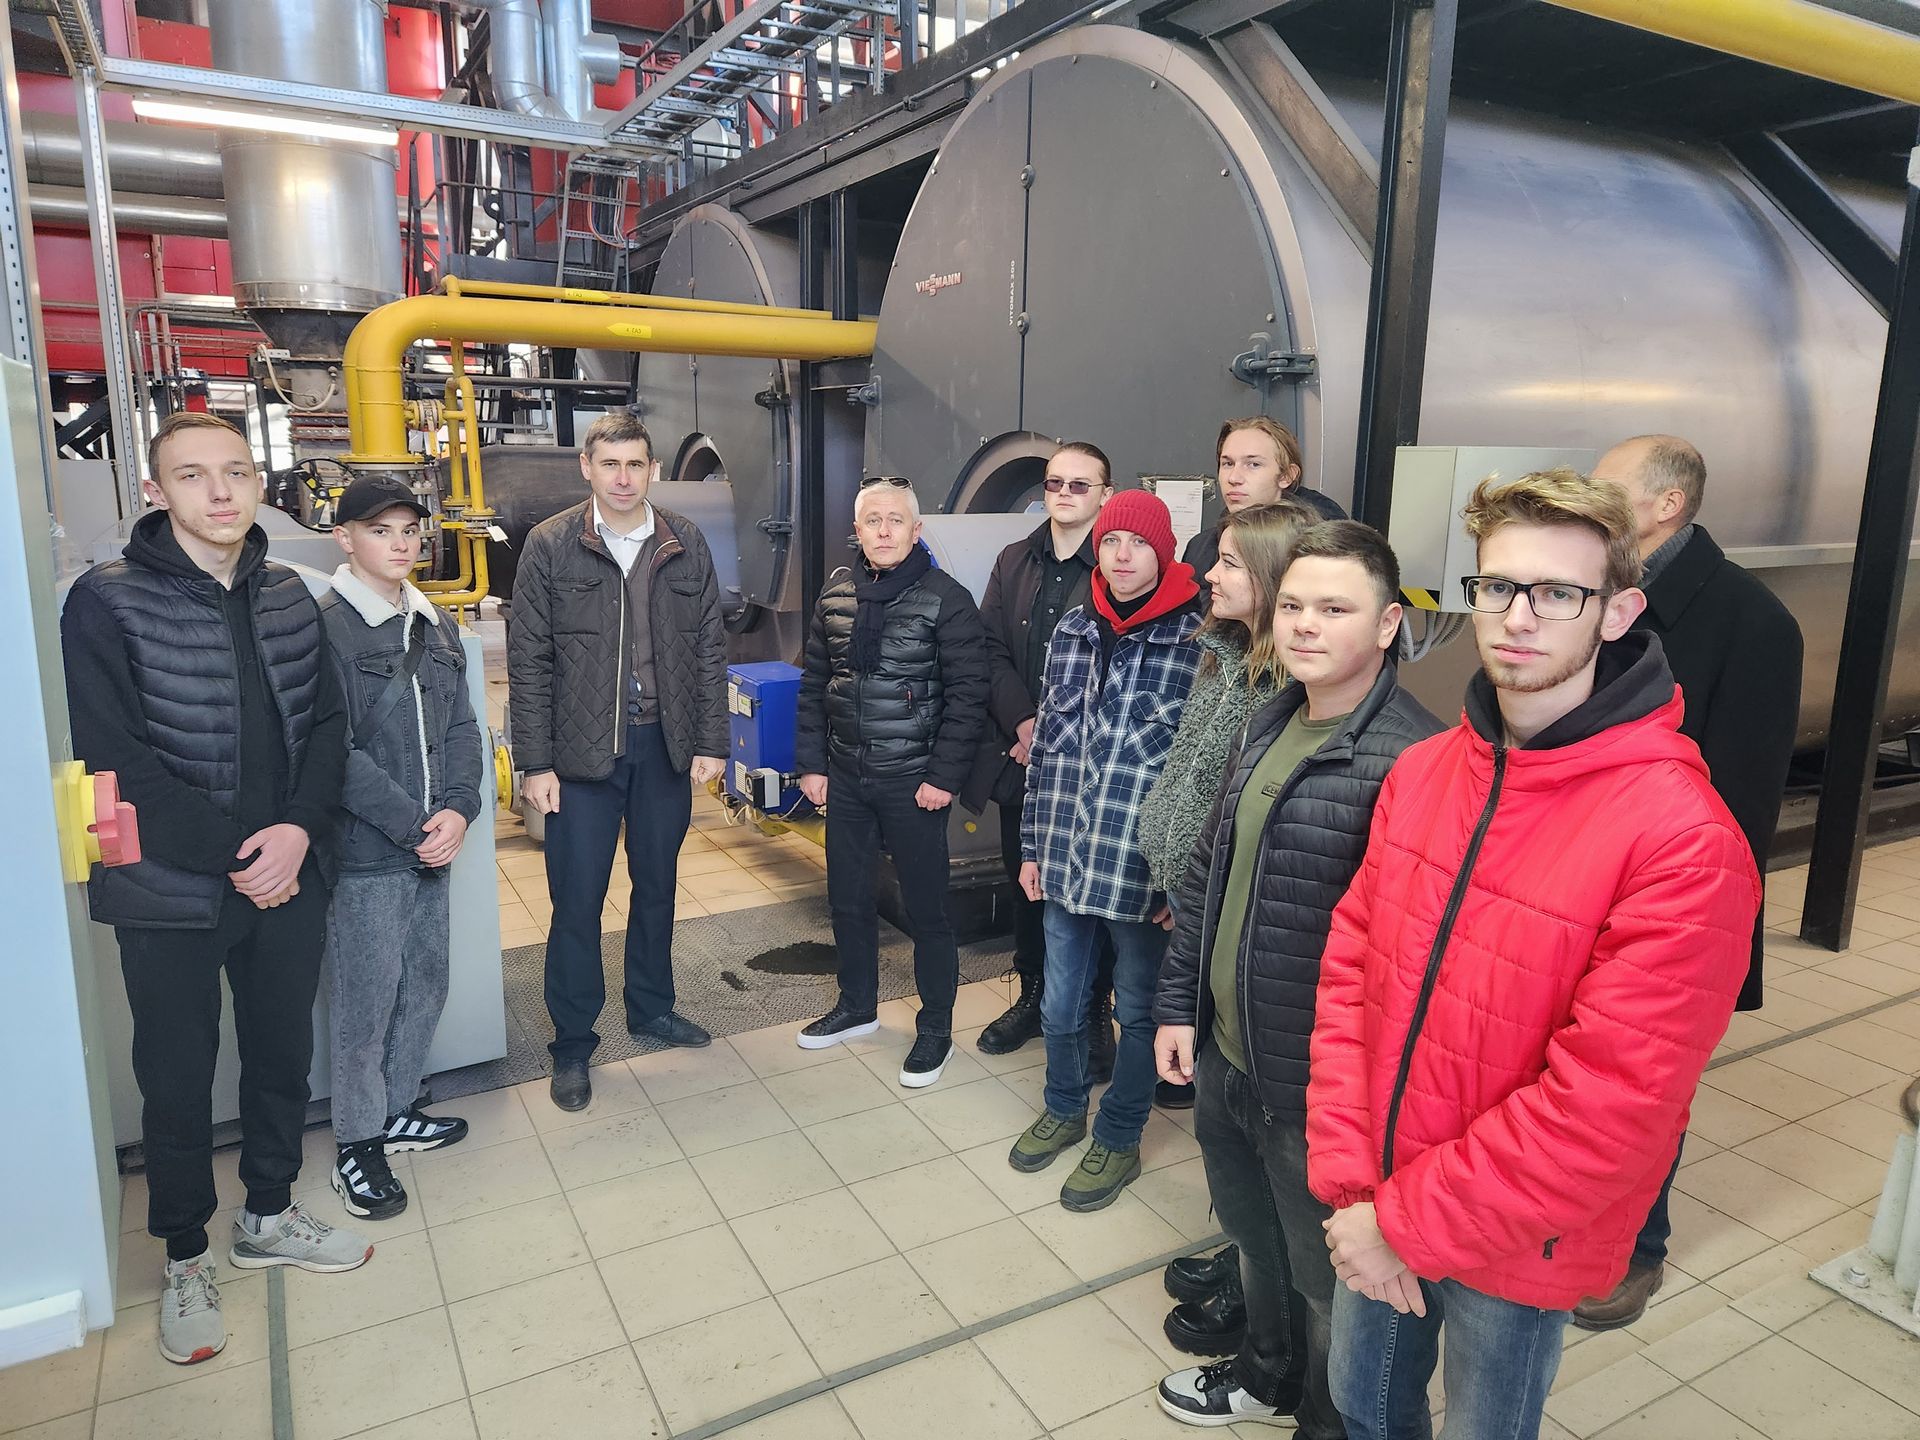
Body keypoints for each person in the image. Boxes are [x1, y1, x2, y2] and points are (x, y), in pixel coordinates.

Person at [1306, 469, 1759, 1440]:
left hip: (1519, 1242)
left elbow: (1609, 1110)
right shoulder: (1426, 773)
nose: (1518, 618)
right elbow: (1351, 975)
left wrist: (1402, 1225)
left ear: (1618, 612)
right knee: (1362, 1408)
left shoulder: (1682, 840)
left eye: (1558, 593)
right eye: (1498, 586)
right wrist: (1350, 1179)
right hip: (1376, 1187)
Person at [62, 411, 369, 1367]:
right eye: (194, 475)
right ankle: (186, 1255)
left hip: (288, 869)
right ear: (156, 493)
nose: (221, 491)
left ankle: (268, 1213)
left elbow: (328, 727)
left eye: (236, 470)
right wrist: (244, 854)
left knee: (281, 1056)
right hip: (172, 889)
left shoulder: (288, 593)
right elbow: (114, 755)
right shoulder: (106, 602)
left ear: (260, 483)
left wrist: (298, 833)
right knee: (176, 1076)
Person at [1151, 522, 1442, 1430]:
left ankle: (1323, 1419)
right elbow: (1210, 871)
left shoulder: (1414, 760)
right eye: (1294, 606)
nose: (1306, 625)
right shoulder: (1271, 718)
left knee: (1327, 1283)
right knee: (1254, 1241)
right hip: (1230, 1054)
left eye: (1335, 609)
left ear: (1388, 624)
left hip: (1317, 1085)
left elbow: (1409, 962)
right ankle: (1265, 1376)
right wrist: (1177, 1006)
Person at [1576, 434, 1804, 1329]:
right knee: (1578, 1075)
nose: (1588, 500)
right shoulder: (1597, 597)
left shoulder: (1753, 624)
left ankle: (1639, 1249)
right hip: (1576, 885)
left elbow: (1743, 804)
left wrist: (1687, 927)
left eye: (1607, 488)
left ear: (1667, 505)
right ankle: (1564, 1222)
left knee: (1646, 1083)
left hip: (1669, 910)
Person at [509, 411, 729, 1113]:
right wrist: (535, 762)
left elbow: (708, 647)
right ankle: (573, 1042)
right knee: (577, 900)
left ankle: (651, 1007)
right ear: (587, 468)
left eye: (635, 464)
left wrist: (711, 740)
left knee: (657, 886)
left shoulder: (683, 541)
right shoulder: (550, 545)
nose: (623, 478)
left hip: (664, 747)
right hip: (580, 757)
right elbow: (528, 659)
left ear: (653, 470)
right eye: (610, 464)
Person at [1010, 489, 1204, 1211]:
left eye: (1139, 544)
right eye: (1112, 541)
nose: (1122, 556)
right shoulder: (1073, 629)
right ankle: (1063, 1108)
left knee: (1141, 1010)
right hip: (1065, 855)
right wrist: (1032, 846)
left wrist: (1181, 883)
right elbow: (1049, 751)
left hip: (1140, 869)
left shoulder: (1196, 639)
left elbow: (1200, 772)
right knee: (1061, 1002)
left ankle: (1119, 1136)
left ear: (1164, 552)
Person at [317, 476, 486, 1219]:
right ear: (345, 537)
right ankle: (357, 1143)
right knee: (365, 1001)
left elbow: (462, 728)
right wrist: (412, 824)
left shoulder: (434, 623)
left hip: (432, 844)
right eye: (380, 530)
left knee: (424, 984)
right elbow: (330, 751)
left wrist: (460, 810)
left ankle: (394, 1112)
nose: (400, 544)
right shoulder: (326, 627)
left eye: (409, 531)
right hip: (367, 852)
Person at [795, 478, 990, 1087]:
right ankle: (857, 1007)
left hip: (914, 783)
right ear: (856, 531)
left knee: (927, 910)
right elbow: (814, 684)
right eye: (872, 521)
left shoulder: (945, 599)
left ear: (916, 530)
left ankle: (936, 1031)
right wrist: (812, 765)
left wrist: (943, 777)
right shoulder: (836, 595)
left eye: (895, 520)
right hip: (847, 776)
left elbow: (969, 696)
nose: (883, 531)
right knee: (848, 901)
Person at [1138, 499, 1313, 1118]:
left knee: (1225, 1049)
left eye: (1230, 564)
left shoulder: (1287, 687)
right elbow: (1187, 774)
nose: (1209, 574)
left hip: (1228, 901)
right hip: (1187, 886)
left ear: (1272, 577)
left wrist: (1198, 890)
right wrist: (1171, 873)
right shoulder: (1221, 654)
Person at [963, 442, 1117, 1075]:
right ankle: (1032, 996)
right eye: (1055, 483)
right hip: (1022, 752)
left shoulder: (1116, 564)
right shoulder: (1014, 560)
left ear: (1105, 495)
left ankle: (1093, 1011)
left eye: (1080, 485)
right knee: (1024, 878)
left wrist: (1060, 734)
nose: (1064, 494)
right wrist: (1025, 722)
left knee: (1088, 886)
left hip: (1090, 761)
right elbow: (989, 648)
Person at [1183, 418, 1345, 580]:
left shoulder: (1320, 552)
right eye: (1228, 463)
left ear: (1286, 476)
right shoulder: (1200, 549)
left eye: (1253, 464)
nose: (1233, 478)